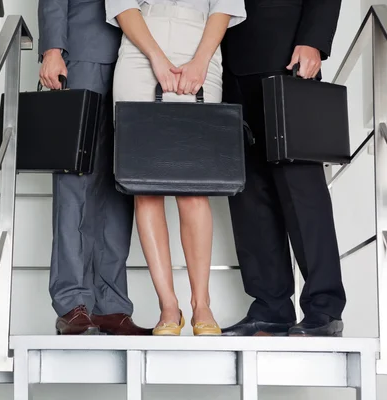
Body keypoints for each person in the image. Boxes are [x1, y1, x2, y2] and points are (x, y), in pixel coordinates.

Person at [106, 0, 246, 336]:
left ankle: (202, 304)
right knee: (145, 185)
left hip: (200, 46)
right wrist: (156, 57)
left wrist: (201, 61)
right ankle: (168, 305)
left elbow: (225, 4)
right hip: (140, 51)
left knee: (194, 186)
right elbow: (121, 3)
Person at [220, 0, 346, 337]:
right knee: (247, 192)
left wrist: (315, 40)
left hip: (287, 54)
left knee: (302, 189)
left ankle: (324, 306)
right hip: (226, 63)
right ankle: (270, 307)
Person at [38, 0, 151, 335]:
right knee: (76, 178)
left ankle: (111, 305)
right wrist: (52, 48)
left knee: (123, 184)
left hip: (140, 59)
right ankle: (71, 300)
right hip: (84, 53)